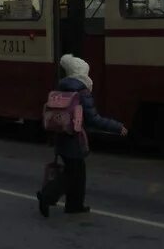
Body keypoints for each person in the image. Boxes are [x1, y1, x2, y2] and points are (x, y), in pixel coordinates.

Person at [37, 54, 127, 217]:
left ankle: (74, 205)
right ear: (82, 74)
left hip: (61, 137)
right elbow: (93, 119)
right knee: (73, 174)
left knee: (77, 172)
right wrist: (117, 127)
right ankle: (47, 195)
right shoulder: (82, 92)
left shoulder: (61, 88)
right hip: (74, 139)